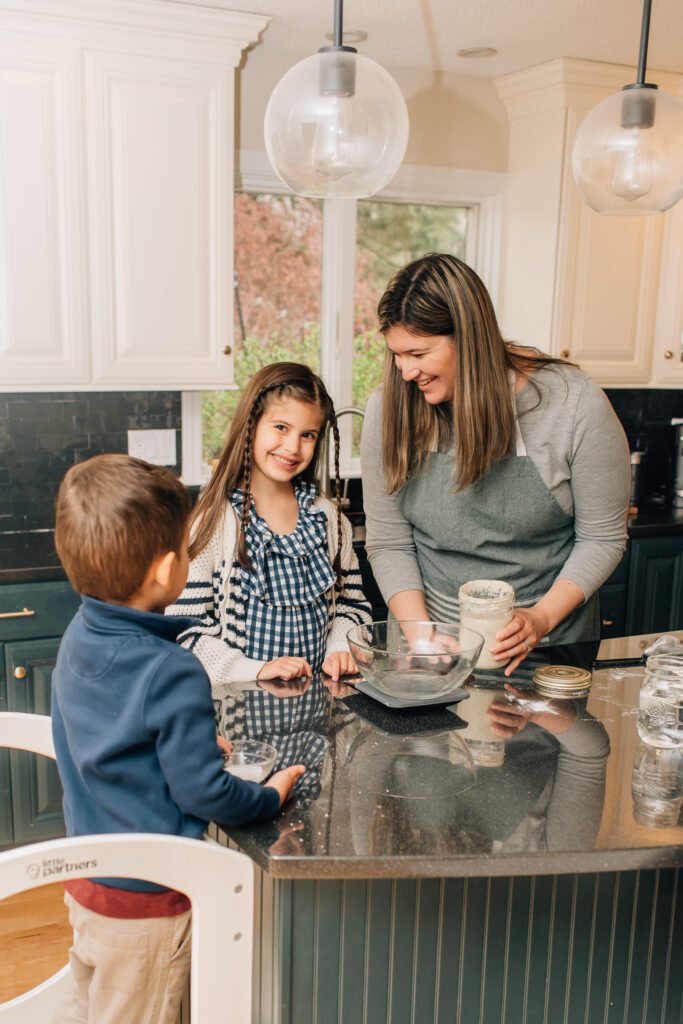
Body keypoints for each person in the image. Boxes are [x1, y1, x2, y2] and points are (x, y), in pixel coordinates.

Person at [51, 454, 304, 1024]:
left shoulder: (78, 635)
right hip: (148, 901)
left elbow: (102, 740)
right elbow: (204, 796)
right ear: (167, 570)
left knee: (94, 1008)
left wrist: (181, 746)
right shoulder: (172, 668)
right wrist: (272, 796)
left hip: (88, 881)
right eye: (188, 552)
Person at [361, 253, 630, 674]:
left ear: (468, 339)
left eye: (418, 352)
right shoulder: (390, 407)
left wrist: (539, 619)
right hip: (429, 651)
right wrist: (421, 636)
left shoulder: (572, 403)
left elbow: (603, 538)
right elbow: (389, 541)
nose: (406, 371)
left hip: (549, 649)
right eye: (396, 354)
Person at [167, 362, 371, 702]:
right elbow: (185, 633)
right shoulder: (215, 522)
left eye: (308, 435)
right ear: (251, 427)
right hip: (239, 728)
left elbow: (354, 606)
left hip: (316, 720)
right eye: (281, 427)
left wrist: (340, 647)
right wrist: (254, 669)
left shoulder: (327, 519)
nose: (293, 447)